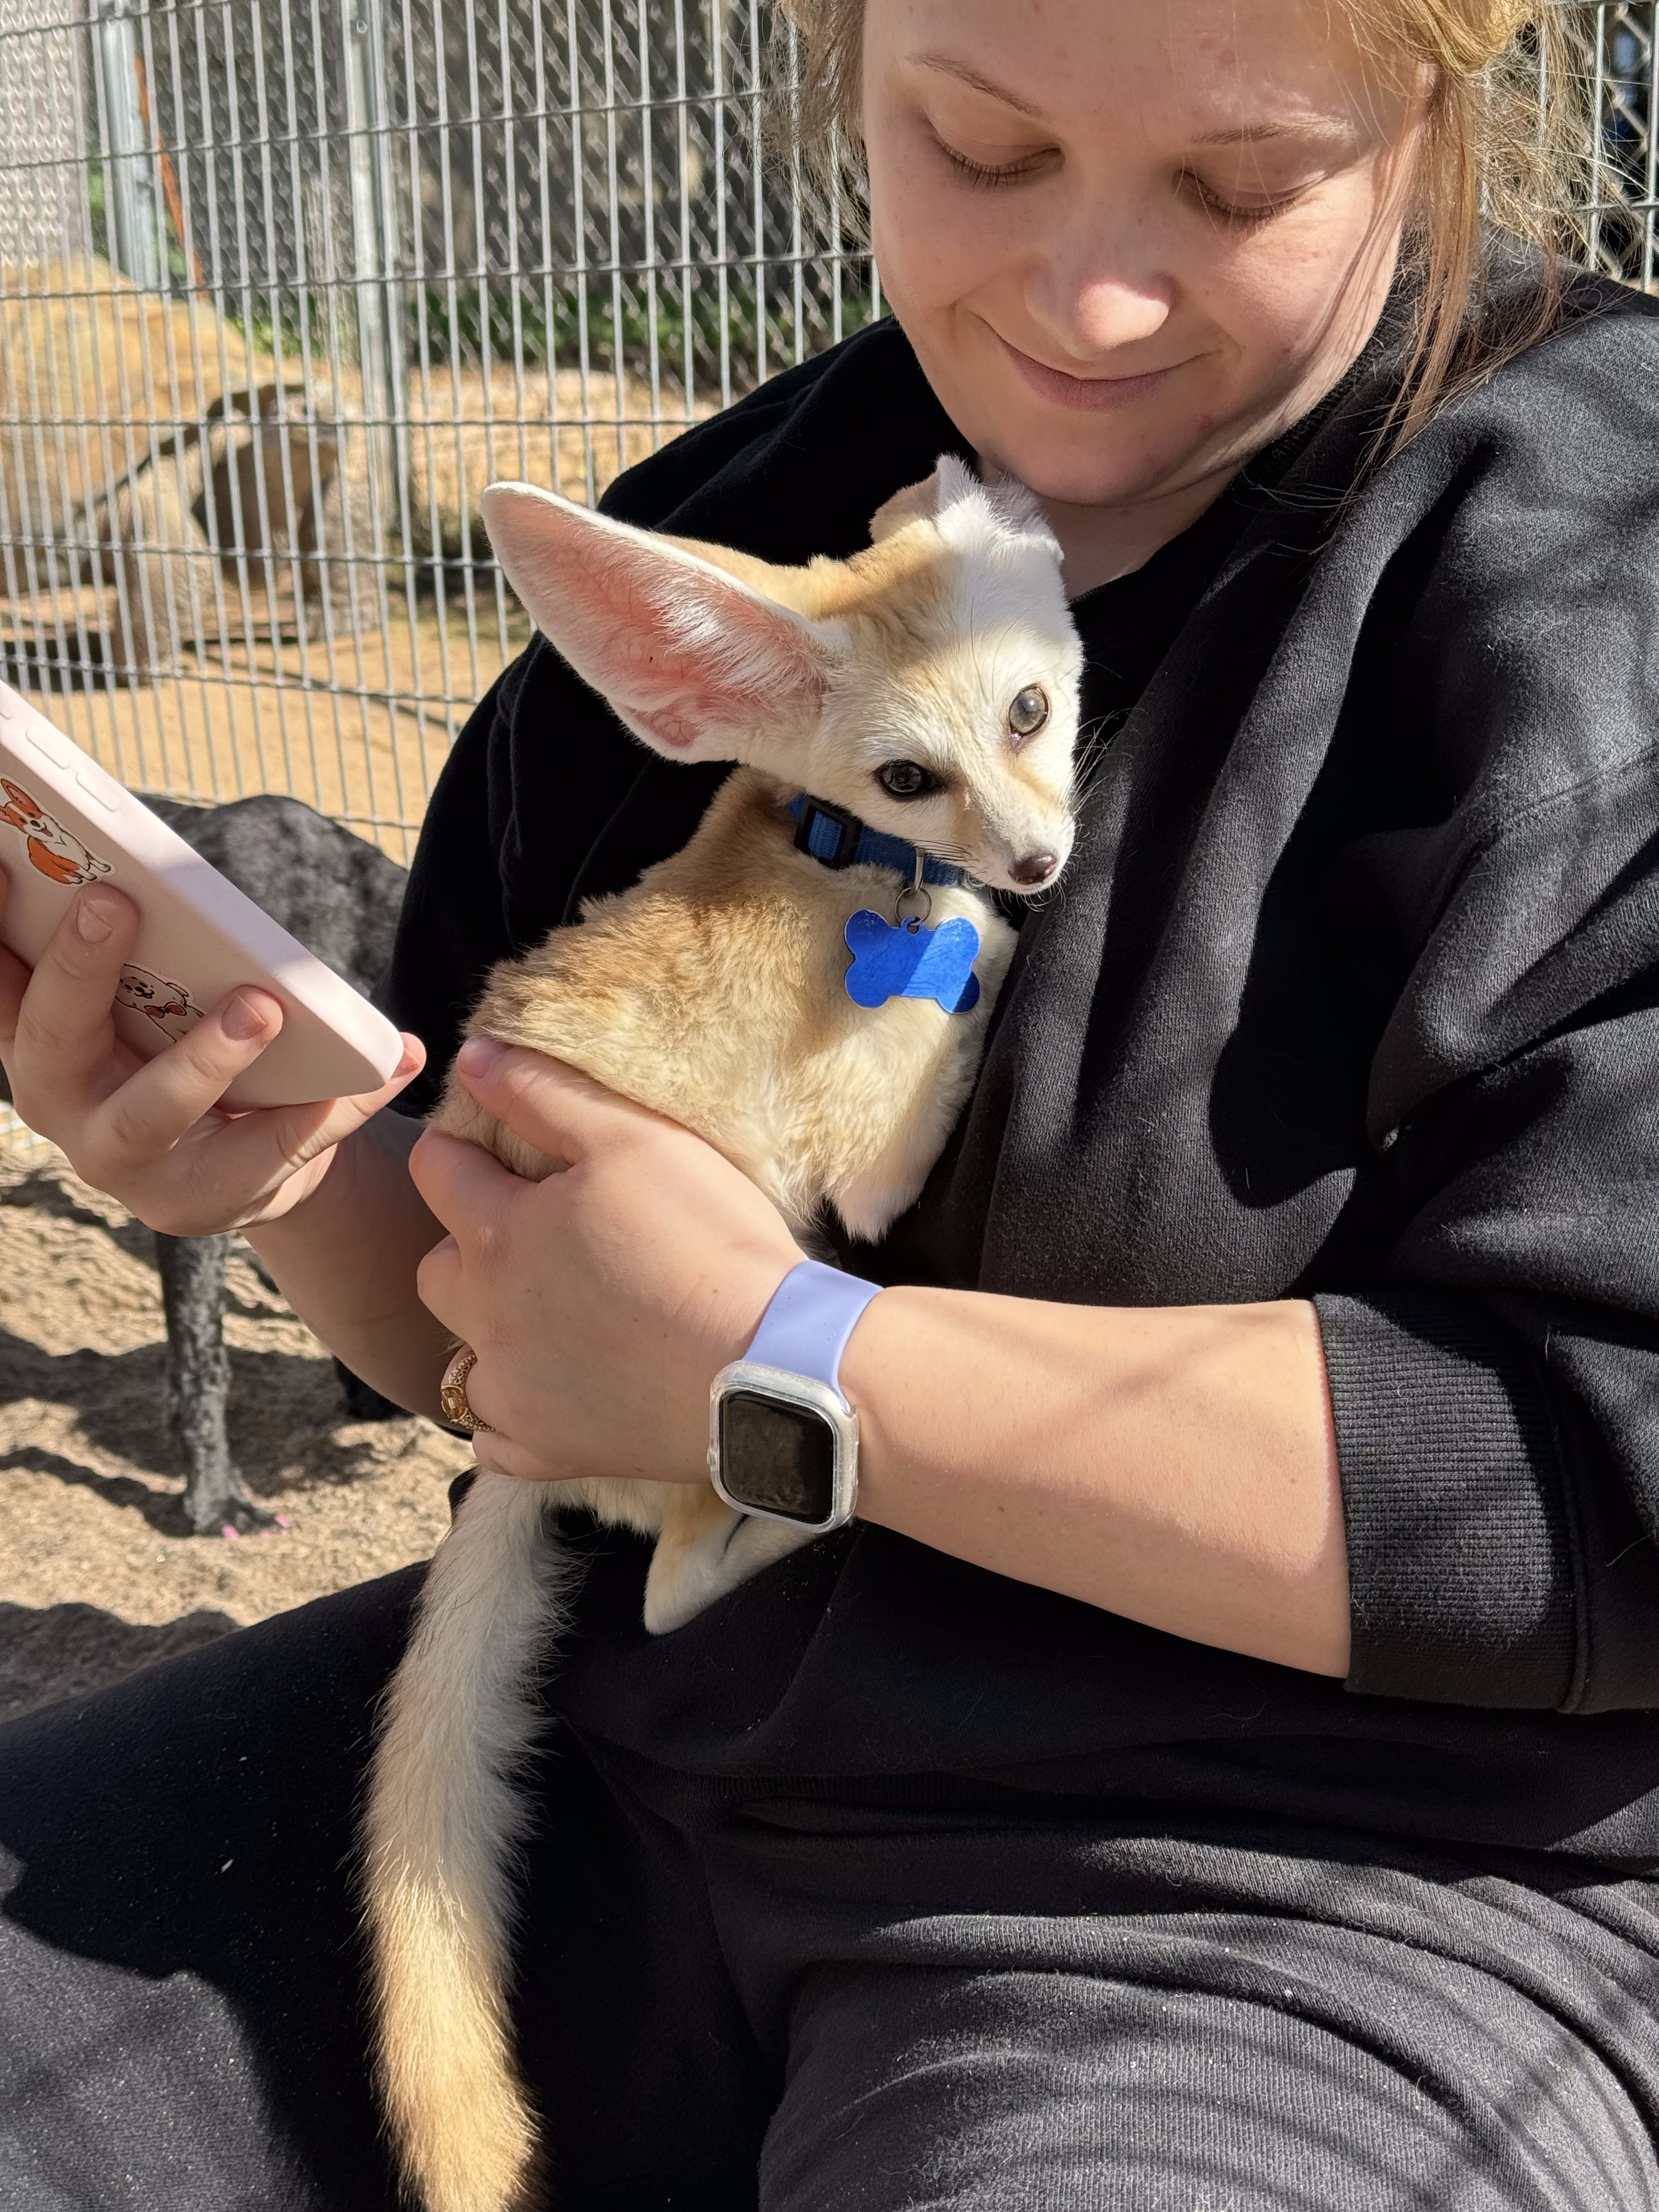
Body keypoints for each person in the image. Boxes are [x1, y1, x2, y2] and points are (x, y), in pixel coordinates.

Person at [4, 0, 1659, 2203]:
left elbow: (1603, 1485)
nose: (1088, 296)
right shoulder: (733, 569)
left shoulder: (1590, 562)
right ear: (847, 77)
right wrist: (285, 1156)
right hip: (635, 1756)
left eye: (1239, 186)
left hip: (1319, 1883)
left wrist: (782, 1363)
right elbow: (511, 1356)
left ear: (1437, 117)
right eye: (977, 146)